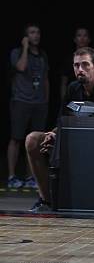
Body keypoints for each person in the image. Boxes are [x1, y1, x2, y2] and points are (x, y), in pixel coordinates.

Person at [27, 47, 94, 212]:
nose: (80, 69)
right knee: (33, 140)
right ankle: (46, 200)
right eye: (76, 65)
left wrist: (69, 136)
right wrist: (54, 134)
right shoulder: (73, 88)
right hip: (73, 139)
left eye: (85, 65)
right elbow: (62, 121)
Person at [7, 24, 50, 189]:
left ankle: (31, 176)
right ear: (25, 37)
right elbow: (21, 67)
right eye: (32, 33)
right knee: (16, 138)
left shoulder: (42, 55)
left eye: (38, 32)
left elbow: (45, 78)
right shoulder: (17, 53)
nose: (36, 36)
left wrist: (45, 100)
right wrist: (25, 47)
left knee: (34, 141)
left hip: (39, 103)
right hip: (21, 101)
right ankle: (11, 176)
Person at [59, 27, 92, 101]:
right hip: (72, 98)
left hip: (91, 99)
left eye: (85, 35)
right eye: (79, 35)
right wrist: (63, 101)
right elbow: (63, 82)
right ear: (75, 39)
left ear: (89, 39)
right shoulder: (68, 59)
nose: (82, 38)